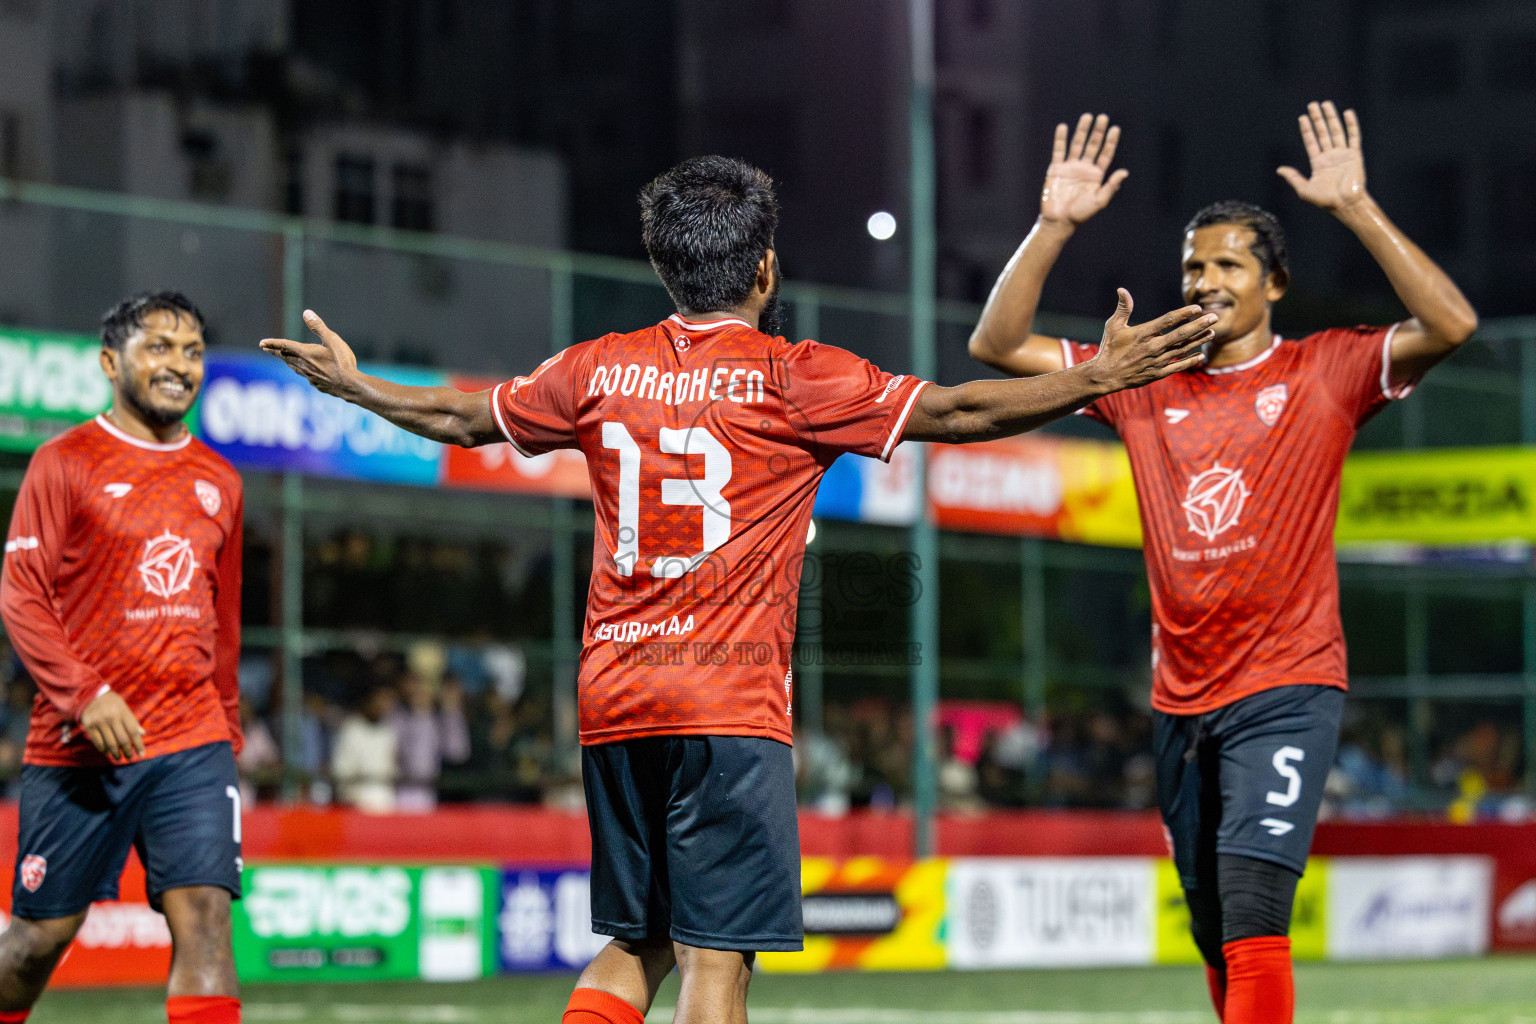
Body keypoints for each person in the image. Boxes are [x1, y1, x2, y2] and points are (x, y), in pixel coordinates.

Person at [260, 154, 1215, 1024]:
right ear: (763, 270)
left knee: (636, 943)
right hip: (726, 701)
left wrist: (360, 388)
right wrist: (1103, 370)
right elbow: (961, 410)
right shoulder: (796, 377)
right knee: (718, 963)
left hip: (614, 698)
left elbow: (467, 416)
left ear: (662, 266)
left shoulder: (596, 367)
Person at [967, 104, 1477, 1024]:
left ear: (1273, 282)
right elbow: (997, 348)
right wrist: (1051, 225)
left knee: (1252, 908)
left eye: (1228, 264)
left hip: (1287, 684)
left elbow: (1451, 321)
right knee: (1213, 928)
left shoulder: (1327, 371)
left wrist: (1356, 208)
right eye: (1194, 265)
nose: (1205, 280)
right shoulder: (1141, 375)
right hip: (1179, 700)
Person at [0, 293, 245, 1024]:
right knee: (39, 940)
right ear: (112, 362)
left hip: (192, 740)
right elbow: (21, 595)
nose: (179, 365)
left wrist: (226, 729)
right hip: (78, 748)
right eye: (159, 347)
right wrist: (84, 694)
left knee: (204, 916)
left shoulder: (221, 482)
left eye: (192, 350)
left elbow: (223, 623)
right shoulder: (63, 463)